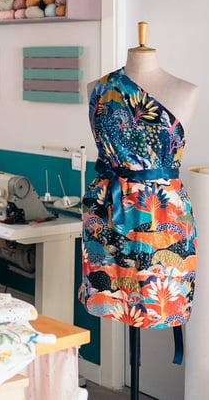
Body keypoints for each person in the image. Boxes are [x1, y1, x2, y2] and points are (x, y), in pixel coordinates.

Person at [80, 28, 199, 330]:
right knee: (110, 293)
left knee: (156, 296)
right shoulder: (98, 87)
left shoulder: (185, 90)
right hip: (107, 206)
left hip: (161, 211)